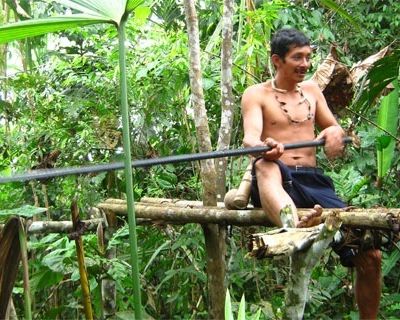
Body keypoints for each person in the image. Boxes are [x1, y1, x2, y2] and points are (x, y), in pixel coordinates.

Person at [241, 28, 381, 319]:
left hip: (314, 183)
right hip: (275, 178)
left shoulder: (313, 92)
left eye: (308, 57)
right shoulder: (256, 94)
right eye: (297, 58)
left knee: (371, 256)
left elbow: (332, 126)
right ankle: (294, 225)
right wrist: (265, 147)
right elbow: (250, 140)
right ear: (277, 60)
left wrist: (334, 134)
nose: (305, 64)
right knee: (264, 165)